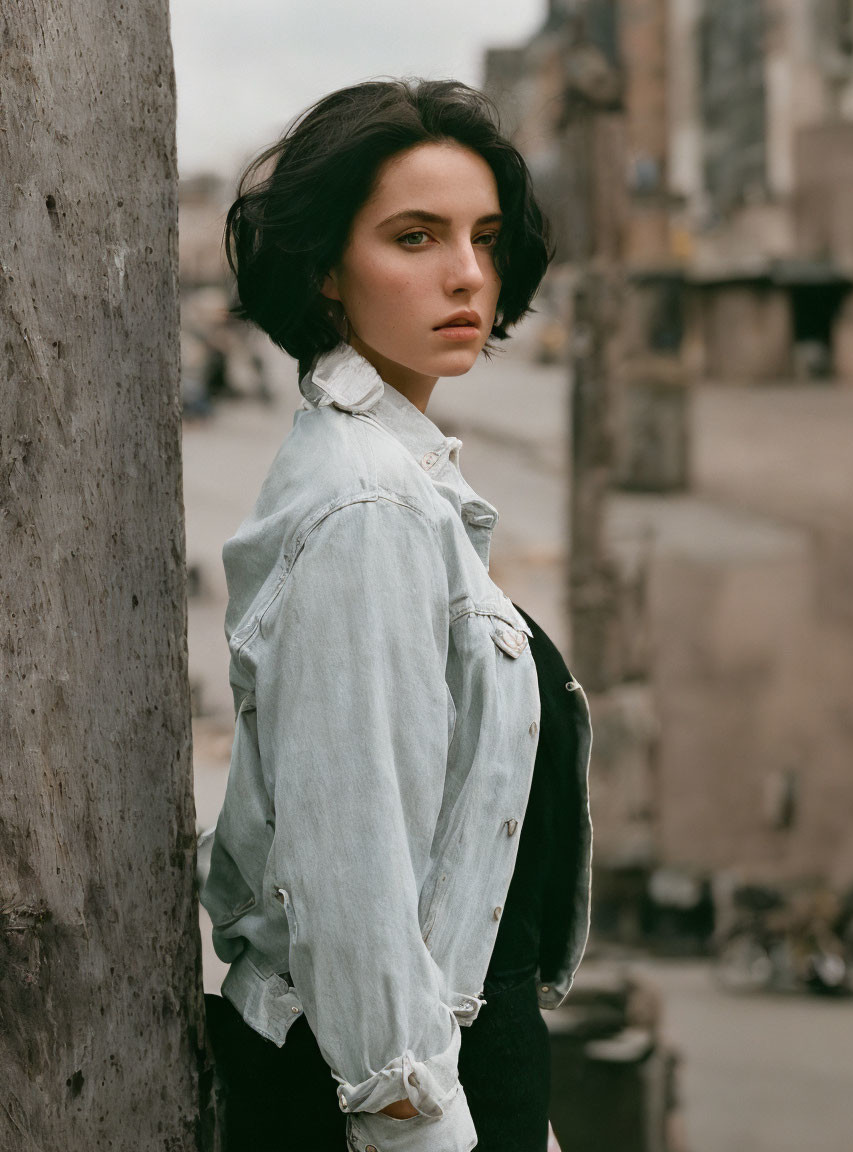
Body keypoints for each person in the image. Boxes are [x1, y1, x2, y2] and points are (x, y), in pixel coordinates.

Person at [200, 78, 594, 1152]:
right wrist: (416, 1127)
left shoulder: (397, 482)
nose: (465, 273)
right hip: (378, 1109)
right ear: (325, 269)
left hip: (450, 1070)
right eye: (413, 237)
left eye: (484, 236)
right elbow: (356, 884)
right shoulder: (367, 508)